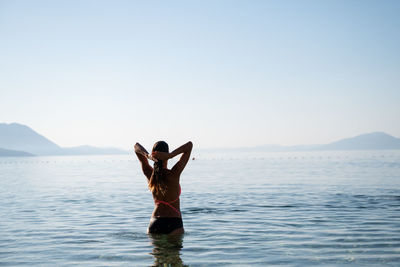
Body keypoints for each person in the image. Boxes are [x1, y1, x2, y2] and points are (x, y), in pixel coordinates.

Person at [134, 141, 193, 235]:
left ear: (153, 153)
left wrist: (148, 156)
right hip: (174, 223)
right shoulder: (174, 173)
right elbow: (189, 145)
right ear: (167, 154)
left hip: (155, 222)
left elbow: (136, 147)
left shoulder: (150, 174)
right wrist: (171, 155)